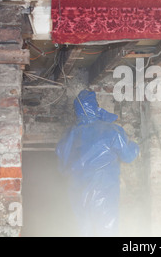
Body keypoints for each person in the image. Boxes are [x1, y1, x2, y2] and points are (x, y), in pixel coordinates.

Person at [56, 90, 139, 236]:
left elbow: (62, 167)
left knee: (80, 229)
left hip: (77, 193)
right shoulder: (112, 131)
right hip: (104, 193)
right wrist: (135, 145)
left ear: (77, 111)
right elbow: (128, 156)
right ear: (95, 107)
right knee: (106, 229)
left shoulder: (68, 136)